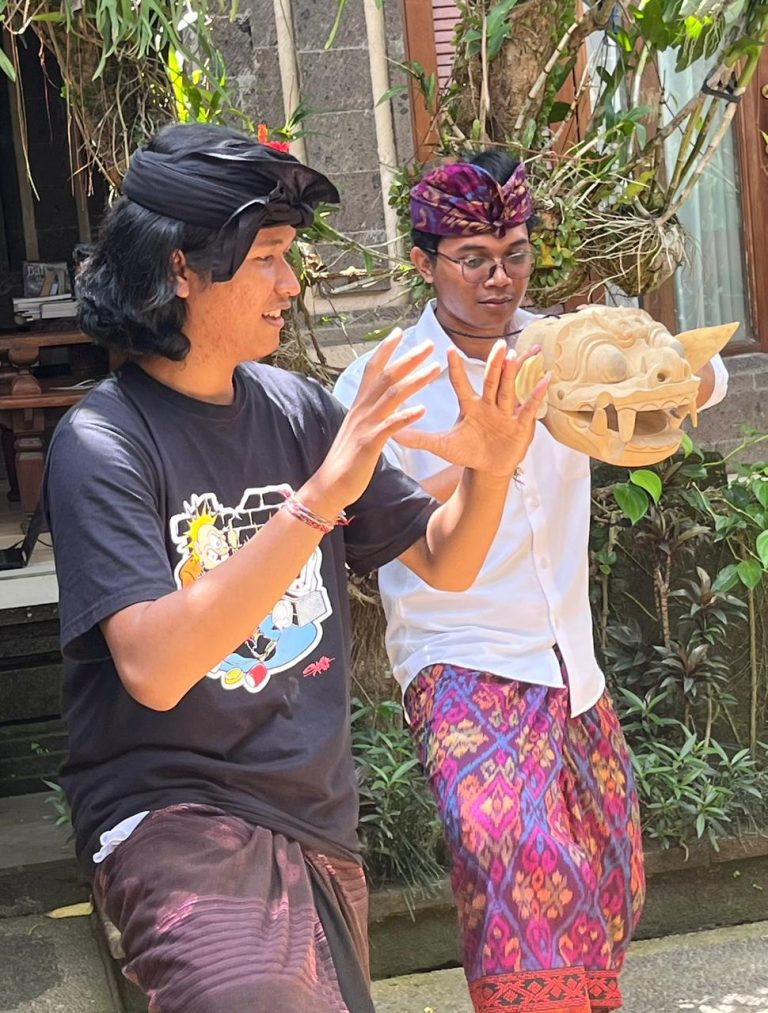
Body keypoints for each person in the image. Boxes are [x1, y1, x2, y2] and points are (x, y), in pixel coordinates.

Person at [41, 124, 547, 1013]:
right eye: (269, 257)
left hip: (314, 819)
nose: (292, 282)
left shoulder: (298, 408)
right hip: (173, 816)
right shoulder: (103, 441)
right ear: (179, 271)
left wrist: (492, 467)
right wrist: (317, 496)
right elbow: (156, 669)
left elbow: (448, 560)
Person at [334, 150, 729, 1013]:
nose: (499, 276)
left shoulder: (566, 347)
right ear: (423, 262)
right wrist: (482, 458)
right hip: (459, 660)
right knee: (513, 854)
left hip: (572, 668)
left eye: (515, 252)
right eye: (472, 257)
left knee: (611, 868)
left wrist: (660, 375)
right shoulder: (382, 383)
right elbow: (372, 524)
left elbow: (703, 374)